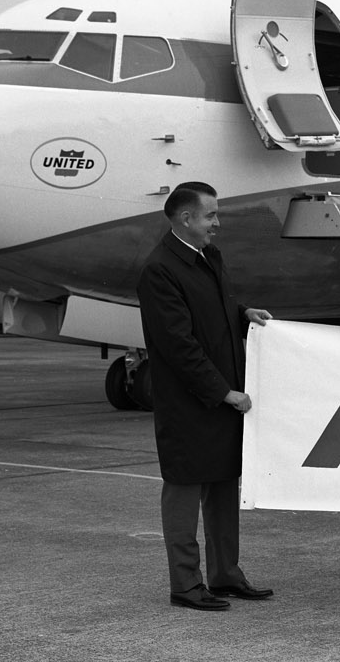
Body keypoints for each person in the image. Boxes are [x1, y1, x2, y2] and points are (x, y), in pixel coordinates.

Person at [137, 181, 274, 612]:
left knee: (222, 488)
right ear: (186, 219)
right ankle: (186, 585)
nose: (218, 223)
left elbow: (212, 310)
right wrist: (223, 393)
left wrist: (243, 313)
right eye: (211, 215)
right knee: (183, 493)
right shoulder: (160, 269)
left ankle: (225, 575)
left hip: (221, 398)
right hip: (190, 405)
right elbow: (178, 345)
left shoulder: (206, 257)